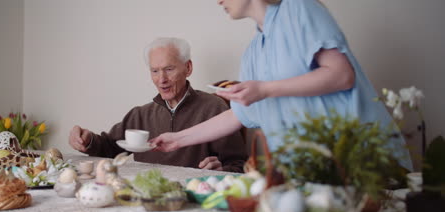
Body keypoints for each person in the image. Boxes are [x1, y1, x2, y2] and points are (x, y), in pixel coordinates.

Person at [151, 0, 413, 170]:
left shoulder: (299, 8)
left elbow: (341, 74)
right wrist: (178, 139)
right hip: (319, 176)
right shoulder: (254, 51)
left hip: (367, 166)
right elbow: (239, 115)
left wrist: (265, 89)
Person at [68, 37, 248, 172]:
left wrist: (221, 169)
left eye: (169, 69)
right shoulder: (140, 114)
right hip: (144, 197)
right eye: (155, 71)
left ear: (188, 68)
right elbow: (108, 147)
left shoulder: (214, 107)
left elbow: (239, 164)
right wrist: (86, 139)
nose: (162, 79)